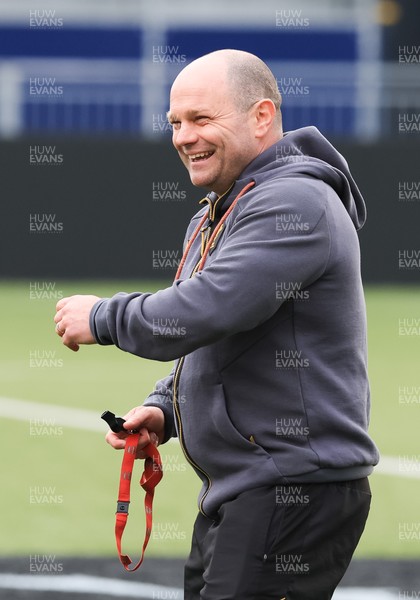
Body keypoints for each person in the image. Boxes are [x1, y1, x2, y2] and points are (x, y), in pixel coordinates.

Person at [54, 49, 379, 599]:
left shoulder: (294, 202)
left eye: (202, 119)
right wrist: (164, 408)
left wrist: (103, 316)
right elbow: (214, 332)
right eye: (175, 123)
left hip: (292, 488)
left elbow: (203, 308)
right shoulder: (220, 209)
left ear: (261, 117)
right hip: (249, 487)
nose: (184, 136)